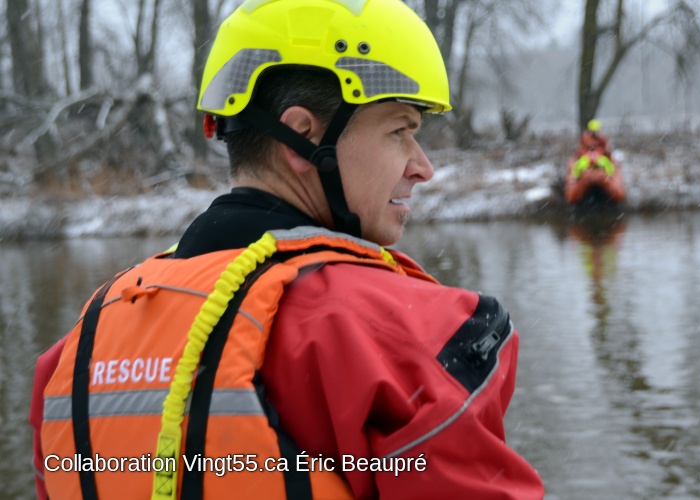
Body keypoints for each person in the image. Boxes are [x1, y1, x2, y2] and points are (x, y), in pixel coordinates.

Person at [29, 0, 545, 498]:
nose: (422, 166)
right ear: (302, 136)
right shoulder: (405, 336)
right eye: (399, 131)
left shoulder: (83, 342)